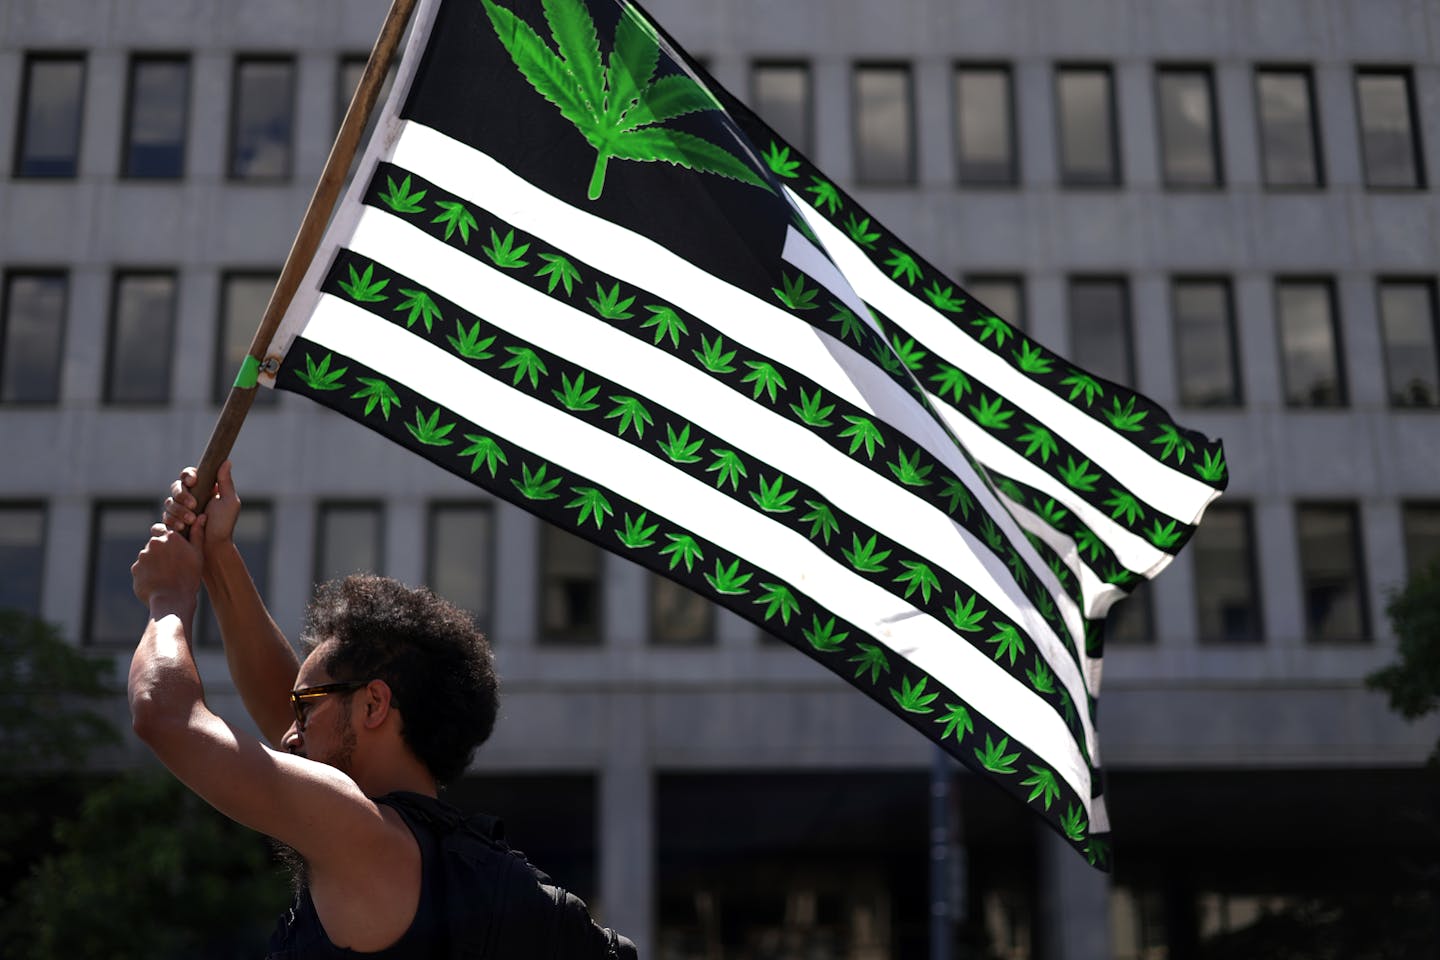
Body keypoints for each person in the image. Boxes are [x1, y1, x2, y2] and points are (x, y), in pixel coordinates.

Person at [130, 461, 627, 957]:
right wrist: (216, 554)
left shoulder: (358, 831)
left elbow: (164, 713)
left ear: (373, 704)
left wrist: (169, 596)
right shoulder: (451, 862)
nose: (287, 734)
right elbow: (287, 708)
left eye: (306, 709)